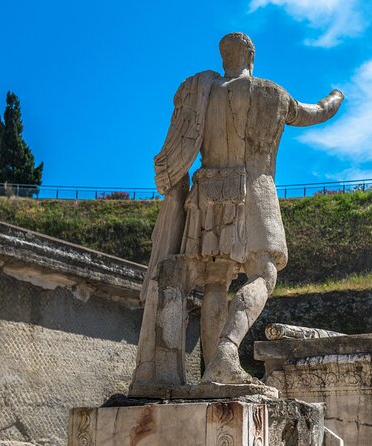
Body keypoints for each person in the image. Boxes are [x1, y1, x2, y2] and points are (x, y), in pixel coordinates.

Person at [132, 32, 344, 388]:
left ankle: (214, 373)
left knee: (216, 282)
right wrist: (337, 97)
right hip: (254, 188)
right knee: (264, 274)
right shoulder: (270, 93)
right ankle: (226, 354)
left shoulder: (202, 92)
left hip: (207, 190)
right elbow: (316, 112)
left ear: (223, 56)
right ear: (251, 55)